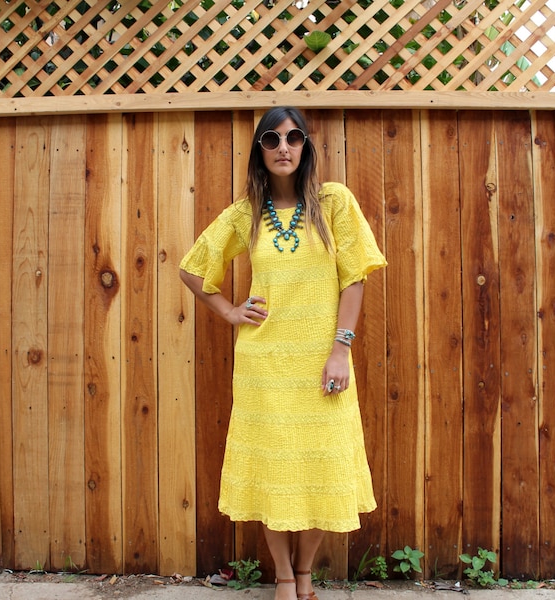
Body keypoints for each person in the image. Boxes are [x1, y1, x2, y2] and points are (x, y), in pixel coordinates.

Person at [179, 106, 387, 600]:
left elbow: (354, 278)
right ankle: (284, 578)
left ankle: (308, 573)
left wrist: (341, 350)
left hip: (322, 361)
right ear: (260, 151)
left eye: (293, 138)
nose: (283, 147)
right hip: (265, 367)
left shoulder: (333, 203)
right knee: (274, 470)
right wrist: (230, 311)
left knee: (317, 466)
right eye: (271, 140)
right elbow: (192, 269)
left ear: (306, 146)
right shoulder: (245, 213)